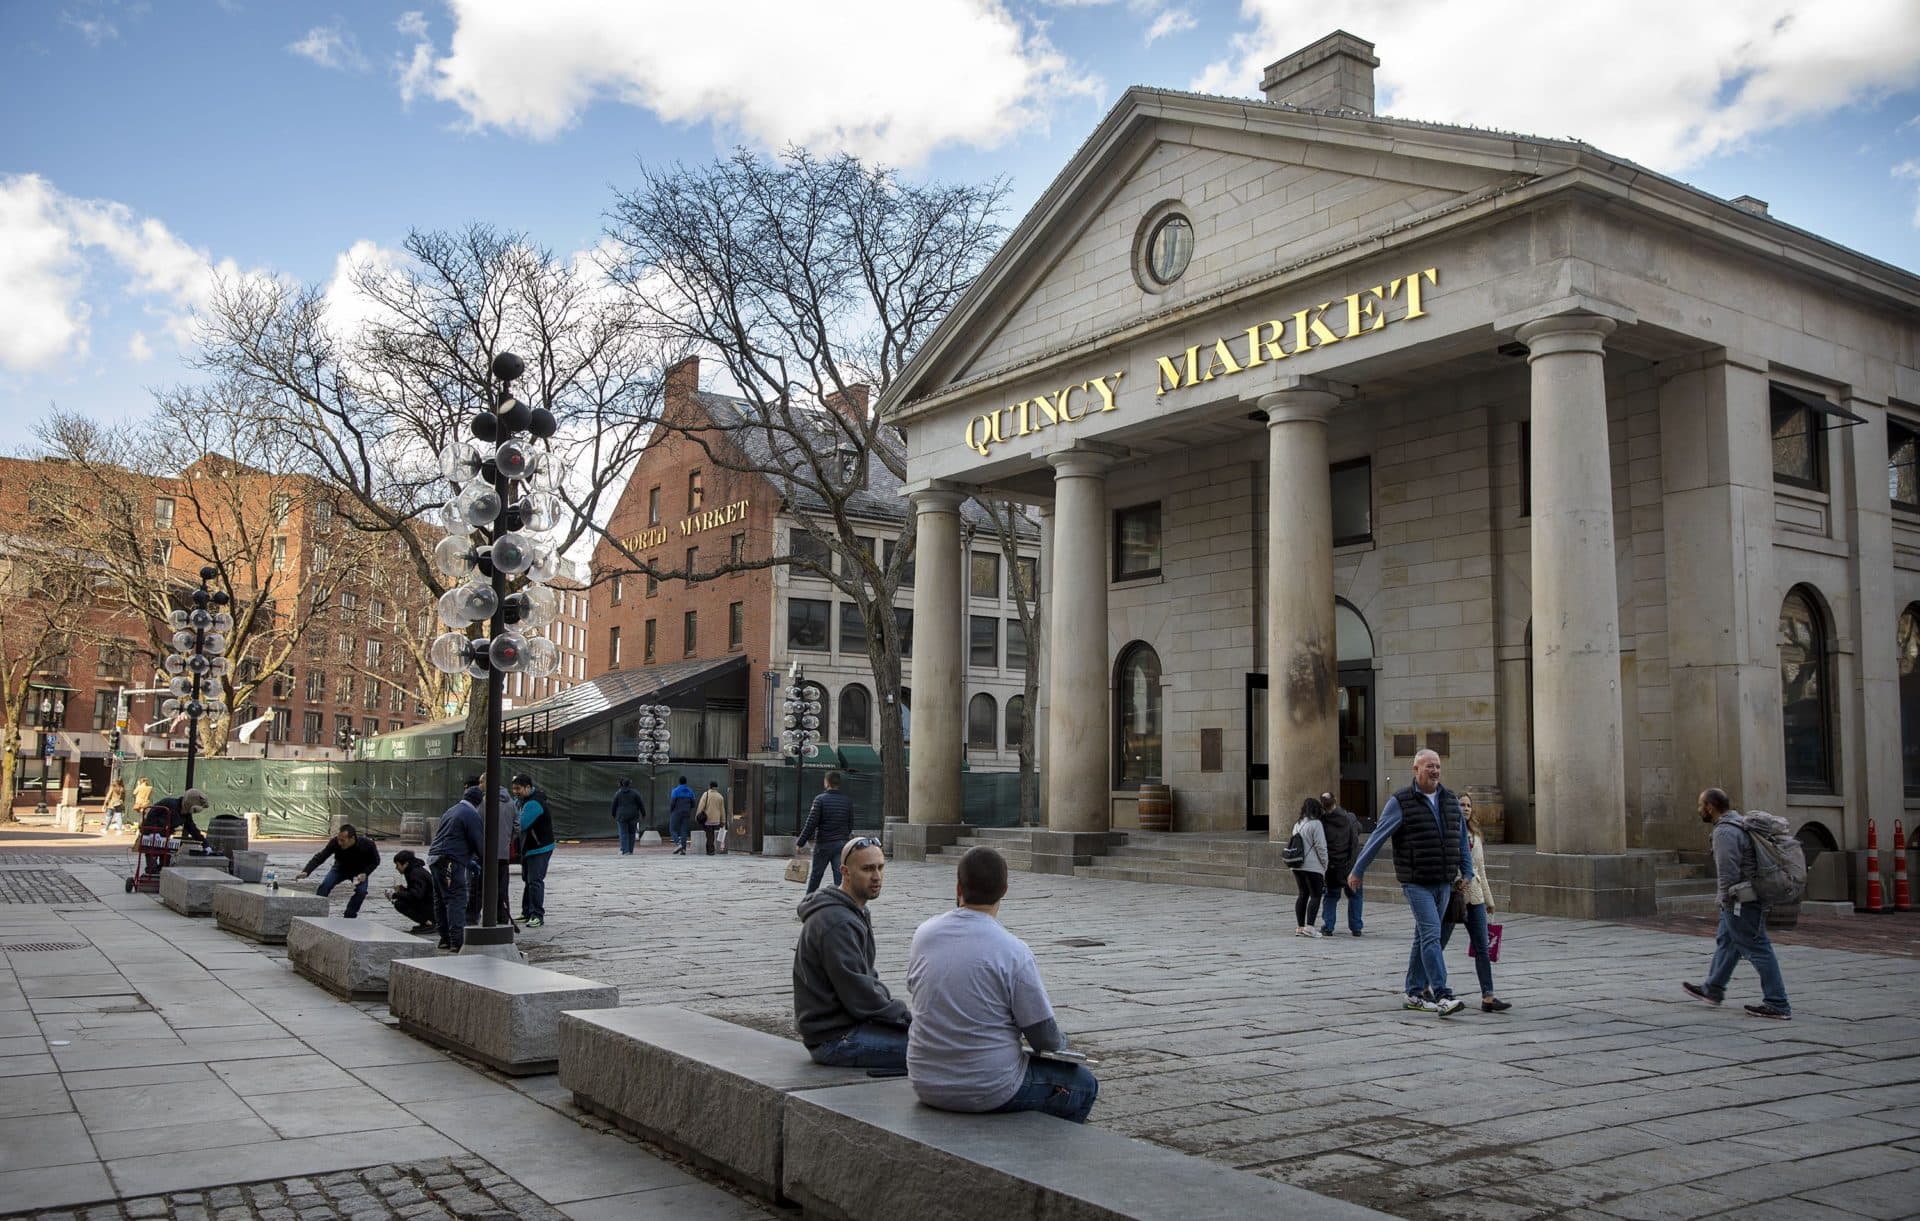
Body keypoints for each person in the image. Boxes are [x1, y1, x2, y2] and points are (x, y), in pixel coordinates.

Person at [907, 847, 1097, 1123]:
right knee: (1082, 1084)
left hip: (925, 1082)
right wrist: (1064, 1043)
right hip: (989, 1089)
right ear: (1004, 890)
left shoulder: (923, 934)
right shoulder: (1013, 951)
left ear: (958, 886)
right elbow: (1044, 1037)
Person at [1348, 749, 1472, 1017]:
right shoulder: (1401, 801)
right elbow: (1378, 837)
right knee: (1431, 934)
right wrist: (1358, 870)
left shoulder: (1450, 800)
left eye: (1437, 766)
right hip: (1416, 881)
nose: (1435, 771)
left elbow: (1461, 839)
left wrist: (1468, 872)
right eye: (1429, 766)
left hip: (1444, 881)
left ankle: (1414, 992)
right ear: (1416, 769)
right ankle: (1442, 994)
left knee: (1424, 937)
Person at [793, 837, 912, 1069]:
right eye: (867, 869)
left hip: (848, 1025)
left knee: (935, 1043)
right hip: (835, 1039)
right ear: (845, 872)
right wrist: (905, 1017)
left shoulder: (855, 911)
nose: (876, 876)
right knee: (937, 1050)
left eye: (880, 867)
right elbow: (860, 995)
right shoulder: (838, 922)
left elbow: (866, 979)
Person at [1683, 788, 1792, 1020]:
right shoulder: (1740, 823)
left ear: (1711, 807)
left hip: (1741, 900)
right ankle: (1713, 989)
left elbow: (1728, 873)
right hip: (1746, 897)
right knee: (1727, 942)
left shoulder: (1725, 832)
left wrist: (1723, 900)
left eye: (1700, 805)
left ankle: (1777, 1003)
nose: (1698, 809)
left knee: (1758, 948)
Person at [1439, 794, 1511, 1012]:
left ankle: (1488, 996)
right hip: (1454, 896)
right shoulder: (1448, 831)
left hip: (1475, 897)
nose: (1466, 809)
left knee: (1482, 946)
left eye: (1469, 805)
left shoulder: (1476, 836)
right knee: (1438, 944)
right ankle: (1423, 986)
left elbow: (1481, 870)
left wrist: (1489, 900)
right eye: (1462, 805)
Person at [429, 782, 485, 951]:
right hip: (451, 862)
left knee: (440, 899)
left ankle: (444, 938)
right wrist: (485, 860)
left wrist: (468, 862)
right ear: (478, 802)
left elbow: (450, 838)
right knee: (456, 899)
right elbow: (478, 842)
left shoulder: (451, 810)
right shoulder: (471, 815)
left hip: (434, 858)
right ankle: (457, 941)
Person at [295, 823, 381, 918]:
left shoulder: (368, 844)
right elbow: (321, 856)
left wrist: (365, 873)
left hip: (359, 872)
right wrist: (307, 871)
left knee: (361, 892)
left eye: (342, 841)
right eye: (338, 839)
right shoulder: (335, 842)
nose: (339, 843)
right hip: (339, 869)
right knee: (325, 886)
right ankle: (317, 912)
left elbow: (375, 861)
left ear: (352, 838)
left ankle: (350, 915)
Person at [796, 771, 854, 894]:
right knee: (840, 877)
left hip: (824, 844)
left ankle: (809, 901)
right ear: (839, 783)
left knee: (816, 876)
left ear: (826, 782)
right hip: (841, 844)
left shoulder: (820, 800)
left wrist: (800, 842)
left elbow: (811, 823)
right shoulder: (847, 801)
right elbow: (850, 824)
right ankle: (841, 902)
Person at [1319, 791, 1364, 937]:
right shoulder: (1349, 817)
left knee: (1331, 896)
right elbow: (1359, 830)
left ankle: (1328, 926)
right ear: (1335, 800)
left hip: (1332, 866)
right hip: (1350, 864)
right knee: (1355, 896)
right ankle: (1356, 927)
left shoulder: (1322, 821)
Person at [512, 773, 554, 928]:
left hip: (539, 848)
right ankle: (526, 912)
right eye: (514, 789)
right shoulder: (522, 801)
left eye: (518, 789)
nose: (515, 791)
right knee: (527, 881)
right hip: (529, 848)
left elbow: (520, 824)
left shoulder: (534, 803)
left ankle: (537, 914)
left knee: (535, 881)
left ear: (528, 787)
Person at [1289, 797, 1329, 938]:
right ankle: (1310, 926)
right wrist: (1325, 864)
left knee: (1302, 894)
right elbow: (1320, 846)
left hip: (1297, 864)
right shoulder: (1316, 824)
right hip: (1313, 865)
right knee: (1316, 895)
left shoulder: (1297, 824)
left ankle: (1300, 926)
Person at [387, 849, 436, 933]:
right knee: (401, 900)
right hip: (429, 903)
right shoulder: (413, 870)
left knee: (399, 904)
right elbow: (416, 892)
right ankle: (428, 922)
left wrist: (395, 895)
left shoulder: (415, 873)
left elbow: (416, 895)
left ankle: (429, 923)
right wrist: (403, 890)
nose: (396, 868)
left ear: (405, 864)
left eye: (397, 865)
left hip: (432, 906)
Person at [141, 788, 210, 845]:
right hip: (150, 835)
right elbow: (151, 814)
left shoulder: (186, 815)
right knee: (152, 857)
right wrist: (153, 832)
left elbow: (193, 829)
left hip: (164, 837)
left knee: (167, 857)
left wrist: (205, 843)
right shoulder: (168, 803)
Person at [611, 779, 644, 855]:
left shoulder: (618, 793)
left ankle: (625, 850)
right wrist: (643, 813)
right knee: (632, 833)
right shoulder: (635, 793)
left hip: (621, 816)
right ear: (630, 784)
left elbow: (614, 805)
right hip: (633, 815)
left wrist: (613, 814)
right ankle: (630, 850)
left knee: (623, 833)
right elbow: (640, 804)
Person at [696, 781, 726, 856]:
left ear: (710, 786)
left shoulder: (706, 794)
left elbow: (700, 807)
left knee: (709, 835)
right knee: (710, 834)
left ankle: (711, 850)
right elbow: (722, 810)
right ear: (717, 787)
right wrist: (723, 821)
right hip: (716, 820)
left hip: (707, 819)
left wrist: (697, 816)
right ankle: (709, 849)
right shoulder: (720, 796)